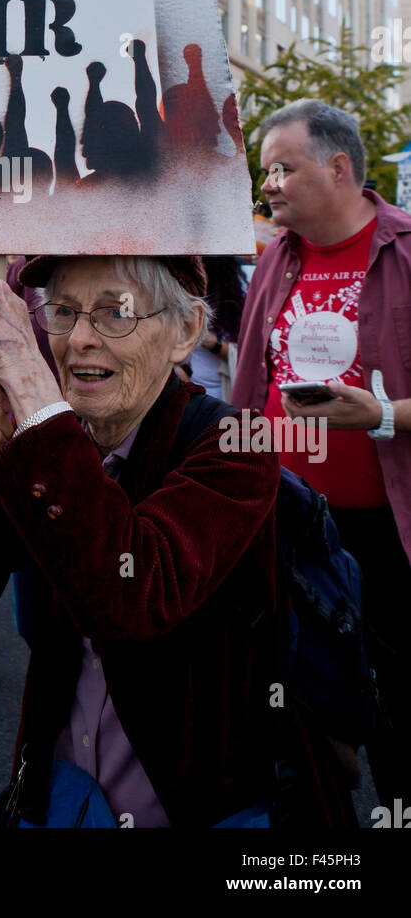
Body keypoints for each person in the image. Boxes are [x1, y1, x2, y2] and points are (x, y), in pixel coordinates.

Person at [0, 254, 353, 826]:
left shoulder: (237, 441)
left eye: (117, 312)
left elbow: (132, 596)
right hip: (59, 788)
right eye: (63, 312)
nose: (80, 338)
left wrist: (30, 385)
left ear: (185, 331)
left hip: (199, 803)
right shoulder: (39, 443)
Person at [232, 98, 411, 809]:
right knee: (297, 697)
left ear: (338, 168)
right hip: (291, 521)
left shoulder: (405, 251)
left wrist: (382, 417)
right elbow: (252, 384)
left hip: (388, 533)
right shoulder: (276, 257)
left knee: (396, 701)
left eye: (282, 168)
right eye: (264, 171)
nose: (267, 184)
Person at [189, 256, 247, 400]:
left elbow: (248, 358)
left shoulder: (239, 304)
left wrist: (211, 342)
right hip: (193, 394)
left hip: (226, 394)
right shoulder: (189, 298)